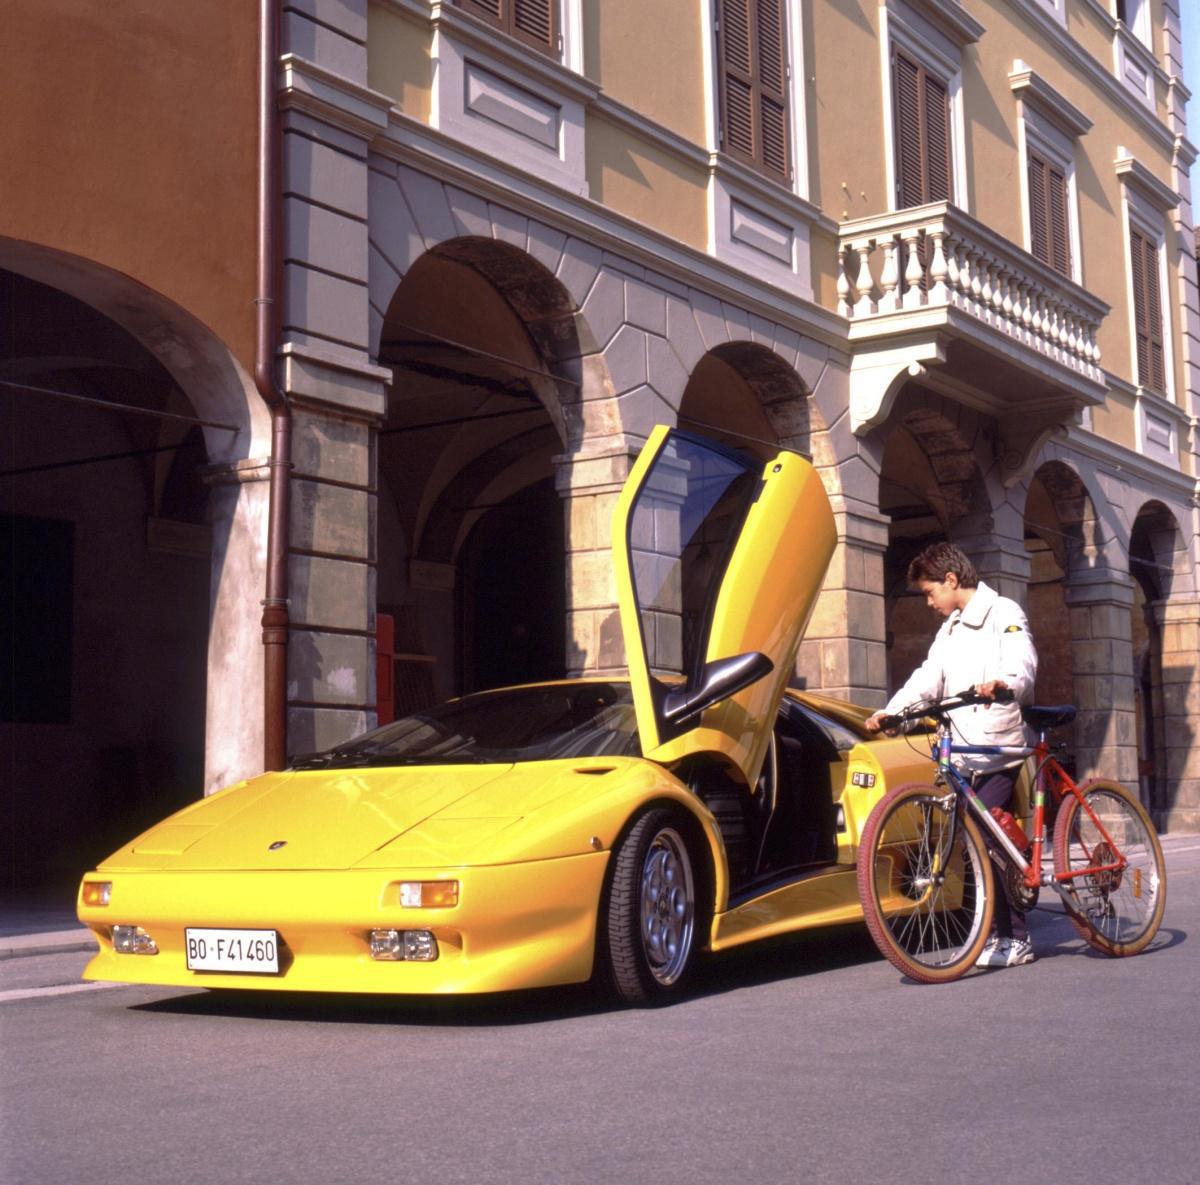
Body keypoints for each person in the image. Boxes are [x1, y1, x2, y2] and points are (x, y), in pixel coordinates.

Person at [866, 542, 1039, 969]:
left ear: (950, 580)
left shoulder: (1004, 612)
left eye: (929, 593)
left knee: (988, 834)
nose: (929, 603)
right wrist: (893, 712)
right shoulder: (950, 629)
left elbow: (1023, 660)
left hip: (999, 746)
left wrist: (1003, 682)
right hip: (964, 749)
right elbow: (928, 677)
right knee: (975, 839)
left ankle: (1016, 937)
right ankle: (992, 931)